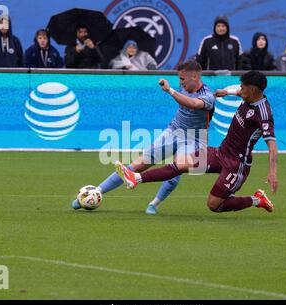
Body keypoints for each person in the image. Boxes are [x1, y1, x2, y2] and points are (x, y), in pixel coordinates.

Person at [115, 71, 277, 214]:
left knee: (214, 205)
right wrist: (226, 92)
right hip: (221, 152)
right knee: (180, 164)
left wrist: (272, 172)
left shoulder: (263, 114)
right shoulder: (249, 95)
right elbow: (239, 93)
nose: (240, 90)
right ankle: (135, 178)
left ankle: (257, 200)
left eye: (243, 87)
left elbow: (272, 146)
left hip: (236, 164)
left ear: (253, 89)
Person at [72, 60, 216, 214]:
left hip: (195, 138)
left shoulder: (207, 95)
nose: (180, 82)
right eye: (179, 78)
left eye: (182, 79)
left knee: (176, 168)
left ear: (194, 76)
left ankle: (154, 204)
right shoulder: (185, 86)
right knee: (138, 164)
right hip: (173, 130)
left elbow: (193, 104)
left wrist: (170, 91)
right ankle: (96, 192)